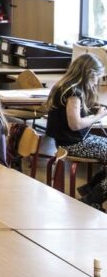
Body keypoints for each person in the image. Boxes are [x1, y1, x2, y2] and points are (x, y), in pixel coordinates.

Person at [42, 55, 107, 207]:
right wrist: (98, 116)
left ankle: (90, 189)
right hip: (72, 143)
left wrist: (90, 109)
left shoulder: (64, 86)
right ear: (89, 73)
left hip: (69, 141)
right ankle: (91, 199)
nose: (96, 82)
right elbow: (75, 125)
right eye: (96, 78)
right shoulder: (74, 92)